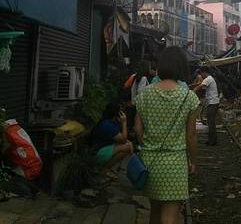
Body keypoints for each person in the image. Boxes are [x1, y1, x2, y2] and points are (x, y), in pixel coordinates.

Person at [134, 47, 200, 224]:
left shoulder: (144, 94)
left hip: (150, 162)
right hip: (175, 163)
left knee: (155, 211)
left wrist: (147, 145)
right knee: (170, 215)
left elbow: (138, 129)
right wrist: (193, 161)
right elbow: (191, 135)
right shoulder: (189, 97)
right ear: (182, 67)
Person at [90, 100, 133, 177]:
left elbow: (121, 138)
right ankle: (104, 170)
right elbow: (123, 139)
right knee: (126, 147)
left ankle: (113, 170)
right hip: (98, 153)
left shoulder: (111, 121)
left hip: (105, 148)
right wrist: (124, 122)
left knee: (128, 144)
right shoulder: (107, 125)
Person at [193, 66, 220, 145]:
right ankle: (211, 139)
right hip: (212, 102)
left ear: (204, 72)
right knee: (210, 122)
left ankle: (213, 141)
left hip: (213, 103)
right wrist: (192, 85)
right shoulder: (209, 79)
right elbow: (200, 84)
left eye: (201, 74)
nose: (201, 76)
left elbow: (199, 86)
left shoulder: (208, 79)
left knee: (211, 122)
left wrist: (191, 92)